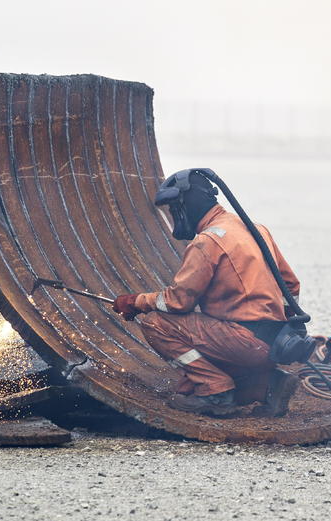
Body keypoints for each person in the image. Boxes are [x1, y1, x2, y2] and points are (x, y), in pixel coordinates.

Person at [112, 169, 302, 418]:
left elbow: (178, 302)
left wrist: (136, 302)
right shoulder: (255, 229)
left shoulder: (207, 241)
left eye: (172, 210)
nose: (173, 217)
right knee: (195, 368)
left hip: (244, 344)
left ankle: (215, 391)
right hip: (275, 346)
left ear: (183, 205)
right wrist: (285, 330)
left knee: (156, 323)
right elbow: (292, 285)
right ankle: (268, 384)